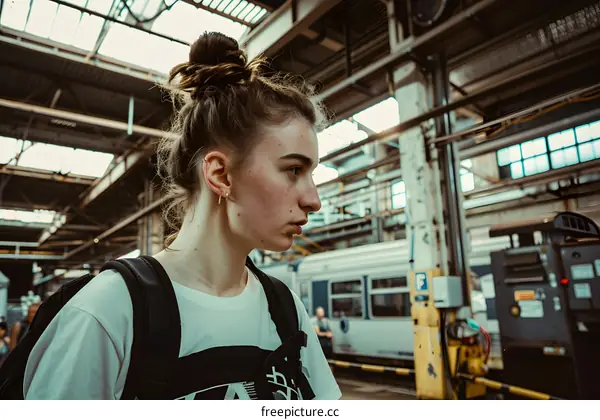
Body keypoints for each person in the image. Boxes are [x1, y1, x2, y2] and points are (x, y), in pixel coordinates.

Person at [22, 31, 341, 400]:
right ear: (220, 174)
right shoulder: (107, 313)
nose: (313, 199)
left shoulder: (286, 310)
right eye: (293, 170)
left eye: (312, 173)